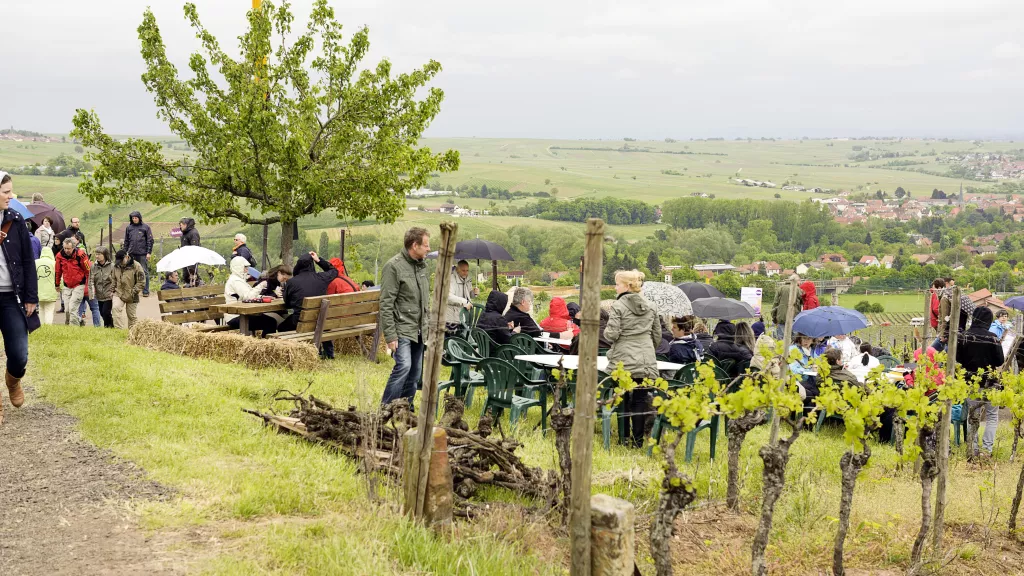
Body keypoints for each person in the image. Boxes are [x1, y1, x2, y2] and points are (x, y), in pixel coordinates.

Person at [605, 269, 661, 448]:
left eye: (617, 284)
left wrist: (609, 333)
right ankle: (637, 441)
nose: (615, 287)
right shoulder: (651, 306)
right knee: (640, 399)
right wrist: (647, 347)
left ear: (627, 286)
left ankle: (624, 437)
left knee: (623, 397)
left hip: (623, 358)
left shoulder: (618, 306)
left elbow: (611, 334)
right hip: (645, 358)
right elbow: (657, 335)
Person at [0, 172, 37, 425]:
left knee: (19, 354)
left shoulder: (16, 220)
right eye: (6, 192)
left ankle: (13, 380)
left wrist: (31, 297)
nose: (10, 196)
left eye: (10, 191)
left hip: (10, 297)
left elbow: (27, 260)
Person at [379, 228, 431, 407]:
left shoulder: (422, 266)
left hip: (419, 329)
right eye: (425, 245)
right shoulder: (393, 266)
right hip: (401, 327)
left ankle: (404, 410)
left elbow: (424, 300)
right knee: (403, 367)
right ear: (414, 245)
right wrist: (390, 335)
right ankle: (385, 409)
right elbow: (386, 303)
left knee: (415, 374)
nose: (428, 249)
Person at [957, 307, 1005, 456]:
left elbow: (957, 359)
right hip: (990, 383)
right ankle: (987, 450)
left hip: (970, 383)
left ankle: (973, 449)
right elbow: (999, 361)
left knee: (973, 416)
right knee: (992, 416)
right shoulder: (993, 338)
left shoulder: (963, 337)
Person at [279, 252, 338, 355]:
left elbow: (287, 304)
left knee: (281, 327)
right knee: (323, 322)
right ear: (312, 265)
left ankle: (293, 353)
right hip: (320, 320)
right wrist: (318, 260)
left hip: (300, 321)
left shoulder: (292, 282)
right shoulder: (322, 278)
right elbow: (334, 271)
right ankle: (328, 353)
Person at [223, 256, 277, 336]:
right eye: (245, 267)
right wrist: (261, 286)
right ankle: (264, 345)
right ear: (238, 267)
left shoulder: (238, 280)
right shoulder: (236, 281)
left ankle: (263, 344)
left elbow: (248, 295)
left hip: (240, 314)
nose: (247, 270)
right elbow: (248, 297)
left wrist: (262, 297)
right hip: (236, 316)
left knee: (268, 320)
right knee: (270, 322)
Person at [55, 238, 90, 327]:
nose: (66, 250)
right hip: (67, 285)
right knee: (67, 310)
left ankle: (73, 329)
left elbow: (87, 270)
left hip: (79, 285)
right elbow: (58, 271)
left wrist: (87, 284)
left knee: (72, 308)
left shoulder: (81, 255)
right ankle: (79, 321)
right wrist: (57, 284)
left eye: (69, 249)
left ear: (73, 247)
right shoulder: (59, 256)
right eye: (65, 248)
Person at [112, 250, 145, 330]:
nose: (120, 263)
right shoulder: (116, 266)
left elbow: (141, 282)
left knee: (131, 316)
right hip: (119, 293)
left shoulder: (137, 266)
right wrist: (112, 290)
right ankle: (118, 331)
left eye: (121, 260)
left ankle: (133, 334)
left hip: (132, 295)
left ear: (127, 257)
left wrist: (134, 291)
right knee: (115, 308)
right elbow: (113, 279)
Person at [934, 284, 974, 352]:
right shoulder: (964, 304)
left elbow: (945, 319)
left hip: (950, 332)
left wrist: (943, 334)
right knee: (948, 352)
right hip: (960, 332)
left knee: (936, 351)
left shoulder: (946, 299)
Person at [122, 211, 153, 297]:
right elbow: (126, 241)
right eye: (133, 218)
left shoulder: (145, 227)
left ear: (139, 218)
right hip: (131, 253)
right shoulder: (129, 228)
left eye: (136, 218)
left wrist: (149, 252)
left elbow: (150, 241)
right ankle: (134, 291)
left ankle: (146, 291)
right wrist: (125, 252)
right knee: (132, 272)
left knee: (144, 272)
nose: (134, 219)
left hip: (142, 253)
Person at [445, 260, 475, 336]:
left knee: (461, 340)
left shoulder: (467, 279)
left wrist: (473, 293)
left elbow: (469, 296)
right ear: (457, 270)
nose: (466, 272)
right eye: (463, 270)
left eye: (467, 270)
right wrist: (465, 302)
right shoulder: (451, 279)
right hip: (451, 316)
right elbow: (448, 297)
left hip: (463, 315)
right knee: (451, 340)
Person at [89, 246, 116, 328]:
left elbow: (115, 280)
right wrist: (92, 294)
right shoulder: (94, 267)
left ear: (105, 255)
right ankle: (110, 326)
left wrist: (113, 292)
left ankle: (107, 327)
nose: (97, 256)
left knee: (106, 312)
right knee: (101, 312)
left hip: (109, 295)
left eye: (99, 254)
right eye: (96, 254)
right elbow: (91, 281)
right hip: (99, 295)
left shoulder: (112, 266)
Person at [34, 243, 58, 325]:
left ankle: (42, 325)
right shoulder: (54, 263)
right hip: (51, 290)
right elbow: (58, 277)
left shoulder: (35, 262)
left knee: (41, 308)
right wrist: (60, 287)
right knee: (49, 310)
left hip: (38, 290)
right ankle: (48, 326)